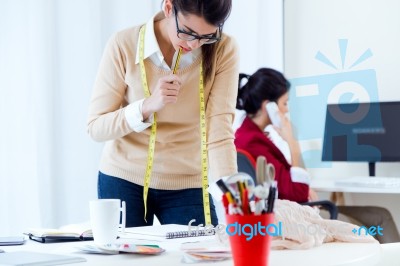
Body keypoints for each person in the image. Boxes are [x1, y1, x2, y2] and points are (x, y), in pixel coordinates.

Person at [87, 0, 239, 227]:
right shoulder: (124, 44)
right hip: (124, 177)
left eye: (207, 36)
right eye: (188, 33)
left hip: (189, 180)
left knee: (205, 258)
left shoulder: (223, 49)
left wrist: (234, 198)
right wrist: (146, 106)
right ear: (168, 8)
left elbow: (219, 127)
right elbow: (95, 127)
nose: (195, 44)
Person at [234, 67, 400, 243]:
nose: (287, 110)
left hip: (299, 211)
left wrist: (303, 187)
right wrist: (292, 141)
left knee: (381, 214)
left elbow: (290, 184)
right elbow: (298, 193)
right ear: (269, 106)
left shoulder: (248, 136)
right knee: (378, 221)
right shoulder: (254, 143)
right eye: (285, 103)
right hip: (298, 219)